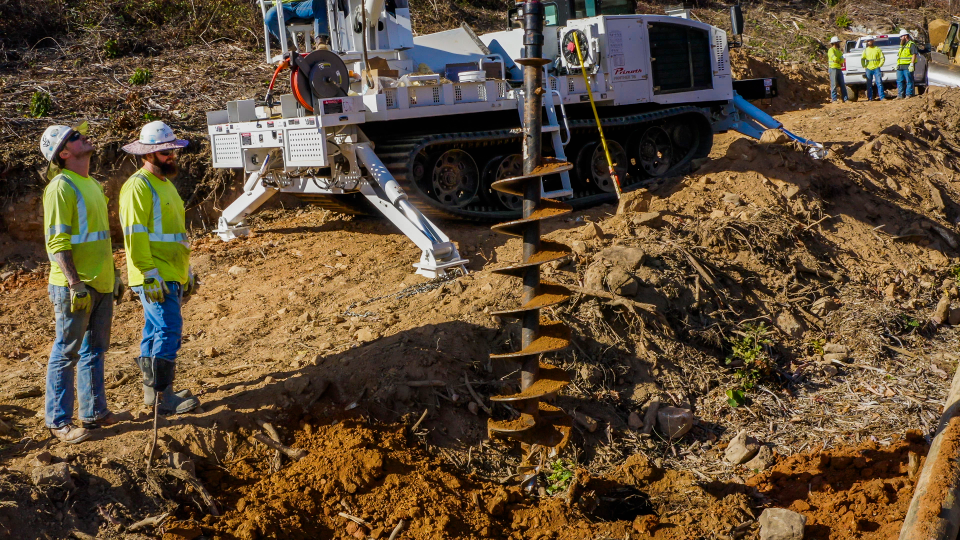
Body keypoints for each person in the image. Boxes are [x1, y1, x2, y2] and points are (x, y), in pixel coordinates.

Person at [39, 122, 124, 444]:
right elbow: (56, 242)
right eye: (75, 137)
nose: (83, 136)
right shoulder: (61, 186)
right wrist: (75, 283)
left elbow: (102, 239)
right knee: (66, 351)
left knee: (95, 351)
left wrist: (113, 275)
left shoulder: (90, 184)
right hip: (75, 286)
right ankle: (58, 421)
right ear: (63, 152)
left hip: (99, 283)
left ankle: (94, 411)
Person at [119, 121, 200, 415]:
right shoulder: (138, 187)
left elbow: (175, 233)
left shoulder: (164, 185)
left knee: (155, 331)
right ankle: (164, 398)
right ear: (149, 154)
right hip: (154, 274)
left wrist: (186, 271)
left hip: (170, 271)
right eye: (165, 152)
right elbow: (135, 234)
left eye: (172, 150)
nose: (171, 156)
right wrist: (149, 274)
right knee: (168, 329)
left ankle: (152, 394)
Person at [264, 0, 330, 45]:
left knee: (319, 2)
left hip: (302, 5)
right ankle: (287, 43)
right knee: (270, 18)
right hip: (281, 7)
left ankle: (321, 40)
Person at [861, 36, 886, 101]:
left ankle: (882, 97)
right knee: (869, 84)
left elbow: (882, 57)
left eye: (871, 40)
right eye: (868, 41)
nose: (870, 42)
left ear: (873, 41)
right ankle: (870, 98)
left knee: (879, 83)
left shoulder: (877, 49)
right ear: (867, 42)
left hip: (876, 68)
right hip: (868, 69)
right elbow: (863, 59)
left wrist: (879, 65)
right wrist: (864, 66)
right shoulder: (865, 50)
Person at [896, 29, 918, 99]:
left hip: (908, 66)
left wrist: (912, 64)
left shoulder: (911, 44)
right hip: (900, 66)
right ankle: (900, 95)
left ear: (905, 36)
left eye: (901, 37)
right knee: (900, 81)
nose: (900, 38)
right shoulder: (902, 45)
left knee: (909, 80)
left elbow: (914, 54)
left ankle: (909, 94)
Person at [828, 36, 848, 103]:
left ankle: (845, 99)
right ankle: (834, 99)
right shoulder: (831, 50)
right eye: (838, 42)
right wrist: (839, 60)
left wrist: (838, 60)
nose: (839, 43)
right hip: (833, 68)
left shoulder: (839, 51)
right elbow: (835, 58)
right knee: (834, 85)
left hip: (839, 68)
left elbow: (842, 60)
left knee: (842, 84)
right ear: (835, 43)